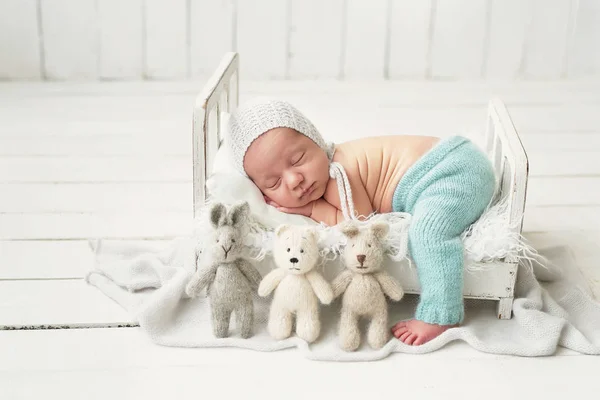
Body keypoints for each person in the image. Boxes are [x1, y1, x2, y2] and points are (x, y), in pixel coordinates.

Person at [226, 98, 496, 346]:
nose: (295, 180)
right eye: (274, 183)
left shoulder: (339, 172)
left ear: (317, 142)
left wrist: (311, 208)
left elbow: (359, 223)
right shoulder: (320, 173)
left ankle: (441, 314)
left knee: (427, 233)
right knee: (427, 228)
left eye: (298, 160)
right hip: (450, 162)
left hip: (452, 170)